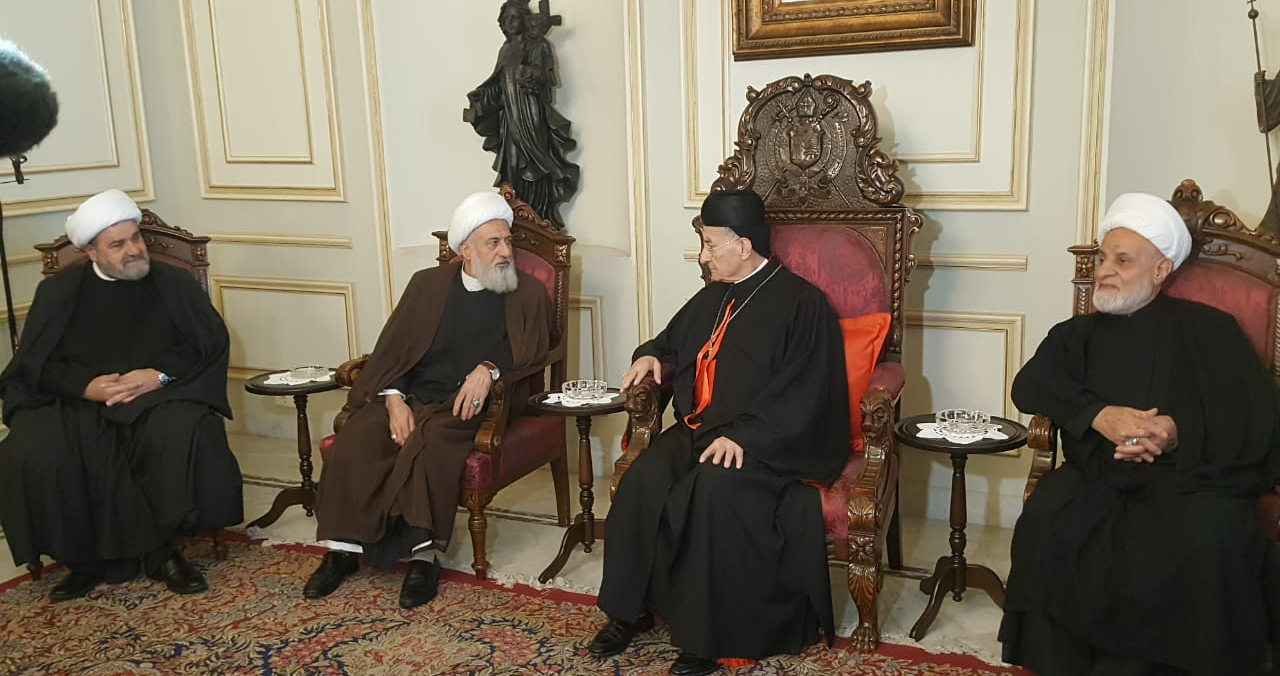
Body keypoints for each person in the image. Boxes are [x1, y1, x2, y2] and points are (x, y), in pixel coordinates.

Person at [999, 192, 1280, 676]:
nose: (1104, 270)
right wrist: (1099, 415)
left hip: (1188, 479)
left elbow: (1253, 412)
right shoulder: (1075, 334)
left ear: (1160, 270)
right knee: (1047, 519)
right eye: (1102, 258)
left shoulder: (1211, 329)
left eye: (1122, 261)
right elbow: (1029, 385)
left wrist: (1175, 431)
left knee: (1209, 537)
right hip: (1097, 476)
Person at [588, 190, 848, 676]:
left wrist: (748, 437)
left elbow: (806, 391)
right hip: (699, 429)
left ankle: (706, 639)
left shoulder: (803, 303)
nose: (702, 256)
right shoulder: (713, 294)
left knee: (712, 490)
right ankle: (628, 612)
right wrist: (648, 355)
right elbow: (668, 342)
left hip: (765, 440)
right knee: (641, 480)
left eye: (710, 245)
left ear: (743, 245)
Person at [304, 190, 551, 609]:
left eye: (508, 242)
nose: (506, 252)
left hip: (467, 405)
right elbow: (397, 349)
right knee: (359, 436)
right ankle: (342, 550)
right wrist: (394, 400)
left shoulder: (525, 293)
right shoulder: (427, 285)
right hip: (413, 393)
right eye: (494, 243)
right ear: (465, 251)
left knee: (430, 443)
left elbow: (531, 349)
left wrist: (488, 369)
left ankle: (424, 557)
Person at [0, 188, 242, 601]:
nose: (133, 250)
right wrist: (86, 386)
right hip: (78, 400)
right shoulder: (59, 292)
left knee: (181, 431)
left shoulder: (173, 283)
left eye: (135, 238)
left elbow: (205, 343)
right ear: (91, 252)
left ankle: (162, 553)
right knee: (32, 447)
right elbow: (38, 363)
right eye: (118, 244)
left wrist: (158, 375)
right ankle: (84, 560)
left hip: (157, 394)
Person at [464, 0, 579, 230]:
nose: (510, 22)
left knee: (536, 164)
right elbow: (499, 87)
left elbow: (547, 79)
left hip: (531, 113)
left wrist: (532, 74)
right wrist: (480, 104)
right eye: (505, 18)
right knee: (513, 165)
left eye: (514, 17)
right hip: (510, 118)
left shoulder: (539, 46)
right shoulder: (505, 50)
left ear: (524, 20)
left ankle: (539, 217)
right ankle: (516, 217)